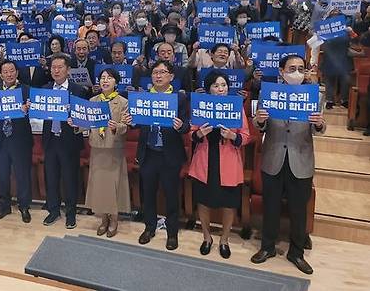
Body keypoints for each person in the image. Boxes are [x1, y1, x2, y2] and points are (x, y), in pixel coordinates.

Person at [250, 54, 326, 275]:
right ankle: (267, 247)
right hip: (273, 157)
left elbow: (318, 129)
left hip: (300, 158)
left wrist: (320, 124)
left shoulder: (315, 96)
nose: (297, 73)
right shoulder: (269, 93)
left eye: (301, 69)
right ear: (282, 71)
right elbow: (259, 125)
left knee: (298, 209)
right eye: (291, 68)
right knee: (270, 206)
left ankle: (296, 252)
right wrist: (260, 120)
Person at [123, 60, 189, 250]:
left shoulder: (179, 98)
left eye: (163, 72)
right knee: (148, 194)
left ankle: (172, 233)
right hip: (149, 153)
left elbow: (186, 126)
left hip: (170, 155)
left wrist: (180, 126)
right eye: (155, 73)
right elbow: (137, 123)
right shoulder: (142, 97)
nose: (158, 76)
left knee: (171, 196)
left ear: (171, 76)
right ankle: (149, 227)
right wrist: (131, 121)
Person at [189, 71, 251, 259]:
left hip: (228, 161)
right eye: (216, 86)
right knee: (203, 201)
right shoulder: (200, 105)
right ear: (208, 89)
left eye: (223, 85)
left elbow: (246, 136)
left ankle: (224, 240)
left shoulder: (236, 107)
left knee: (228, 203)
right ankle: (207, 237)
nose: (220, 89)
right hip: (204, 160)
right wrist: (200, 133)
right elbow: (190, 133)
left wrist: (233, 136)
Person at [42, 53, 89, 229]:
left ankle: (71, 213)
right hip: (50, 140)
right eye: (53, 67)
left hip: (69, 141)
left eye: (60, 67)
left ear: (68, 70)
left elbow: (84, 118)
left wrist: (76, 121)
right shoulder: (45, 89)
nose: (56, 70)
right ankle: (53, 211)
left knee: (70, 179)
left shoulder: (78, 90)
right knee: (51, 178)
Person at [83, 68, 130, 238]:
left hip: (114, 149)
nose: (105, 80)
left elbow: (126, 125)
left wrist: (117, 127)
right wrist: (75, 123)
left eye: (109, 78)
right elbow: (85, 124)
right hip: (97, 147)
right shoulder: (92, 100)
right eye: (102, 78)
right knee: (100, 186)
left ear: (116, 82)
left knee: (114, 187)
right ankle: (103, 219)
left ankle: (115, 219)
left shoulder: (123, 102)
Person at [0, 60, 33, 223]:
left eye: (12, 71)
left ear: (17, 73)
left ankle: (24, 206)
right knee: (2, 174)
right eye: (5, 72)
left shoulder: (26, 90)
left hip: (20, 138)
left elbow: (35, 112)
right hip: (1, 139)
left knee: (22, 174)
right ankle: (4, 206)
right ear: (1, 75)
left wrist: (28, 109)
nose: (9, 74)